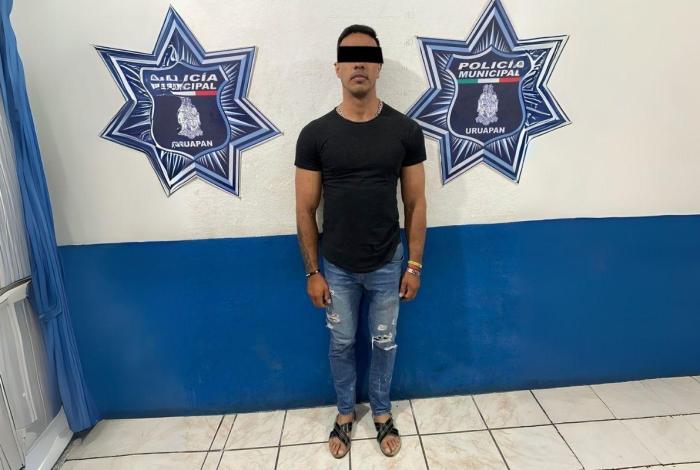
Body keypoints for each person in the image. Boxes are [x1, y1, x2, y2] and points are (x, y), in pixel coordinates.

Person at [294, 24, 427, 459]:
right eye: (350, 57)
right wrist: (312, 272)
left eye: (367, 57)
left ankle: (382, 412)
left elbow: (416, 203)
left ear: (378, 67)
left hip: (389, 262)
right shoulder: (315, 135)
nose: (359, 64)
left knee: (384, 342)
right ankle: (346, 413)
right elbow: (305, 209)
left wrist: (414, 265)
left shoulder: (405, 131)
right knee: (341, 343)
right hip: (336, 266)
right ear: (337, 68)